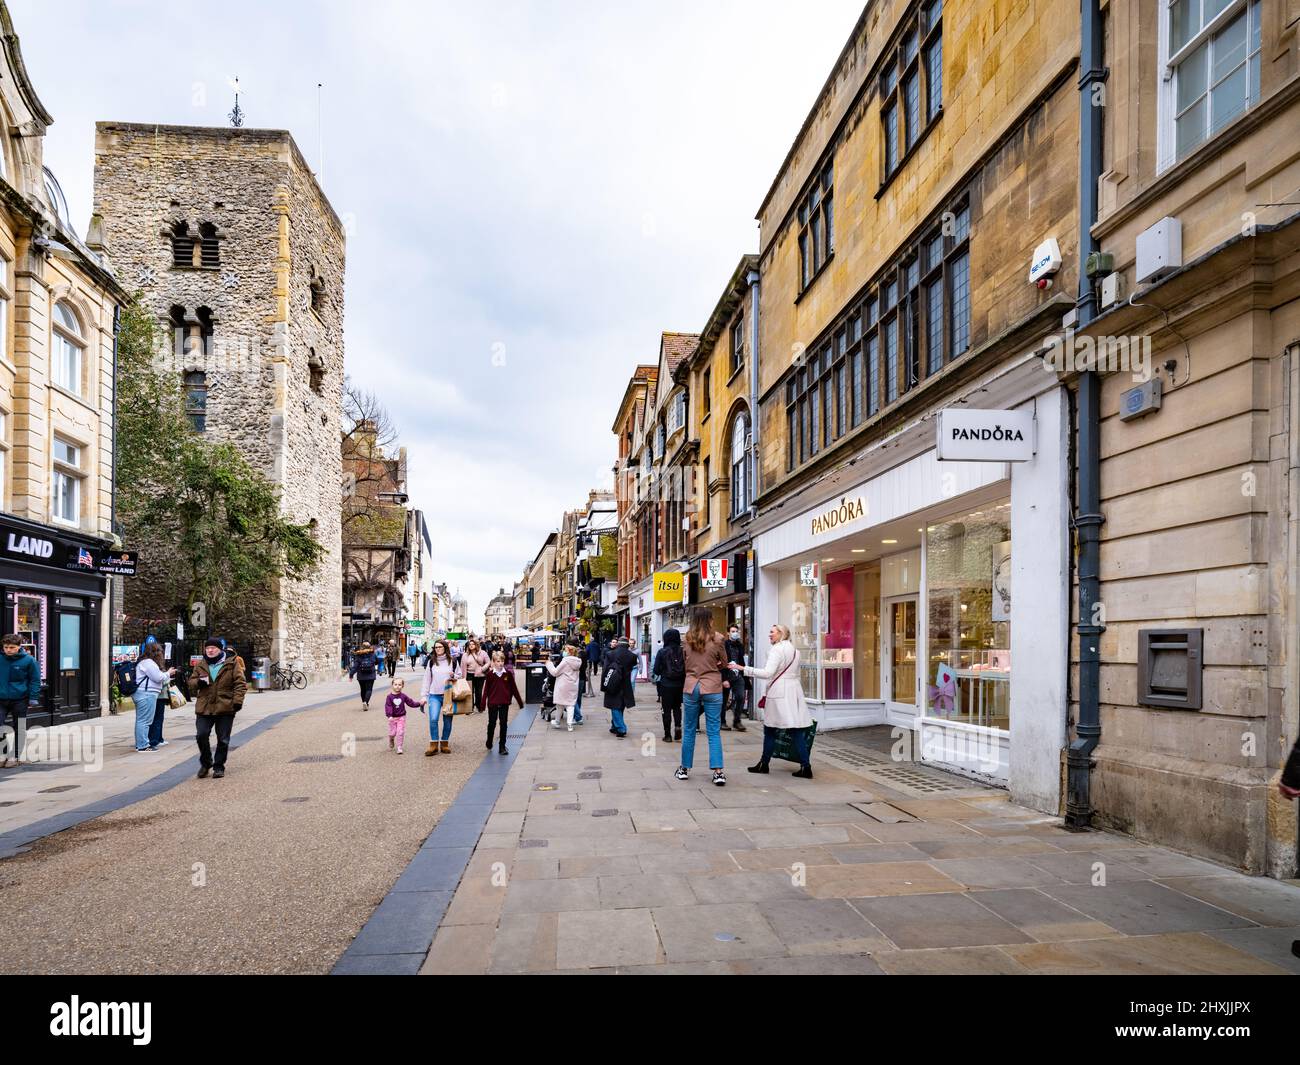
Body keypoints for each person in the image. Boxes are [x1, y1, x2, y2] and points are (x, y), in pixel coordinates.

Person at [733, 623, 815, 779]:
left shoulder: (777, 650)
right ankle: (806, 766)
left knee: (770, 730)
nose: (770, 635)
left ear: (781, 634)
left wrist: (743, 668)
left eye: (772, 632)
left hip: (779, 692)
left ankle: (764, 764)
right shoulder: (795, 651)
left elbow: (767, 673)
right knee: (796, 730)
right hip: (793, 691)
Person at [676, 608, 729, 787]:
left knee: (689, 728)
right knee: (713, 731)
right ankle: (718, 772)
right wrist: (715, 665)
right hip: (712, 685)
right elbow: (725, 662)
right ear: (710, 620)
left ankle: (684, 769)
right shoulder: (718, 638)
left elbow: (684, 663)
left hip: (691, 686)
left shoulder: (686, 639)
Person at [188, 636, 246, 779]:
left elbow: (240, 683)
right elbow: (191, 682)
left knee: (223, 739)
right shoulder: (201, 664)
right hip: (205, 706)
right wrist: (198, 683)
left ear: (220, 649)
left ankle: (219, 766)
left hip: (225, 706)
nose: (210, 650)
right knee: (201, 735)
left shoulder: (232, 664)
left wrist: (237, 701)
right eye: (207, 648)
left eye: (213, 648)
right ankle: (206, 763)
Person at [0, 634, 39, 767]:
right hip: (1, 699)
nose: (8, 650)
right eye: (6, 647)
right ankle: (3, 754)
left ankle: (15, 756)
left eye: (12, 647)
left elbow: (35, 680)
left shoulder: (29, 660)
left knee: (20, 727)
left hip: (20, 699)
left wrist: (33, 698)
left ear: (19, 647)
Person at [420, 638, 461, 756]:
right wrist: (424, 696)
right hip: (434, 695)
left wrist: (455, 676)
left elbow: (459, 675)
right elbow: (427, 680)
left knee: (448, 720)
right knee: (433, 719)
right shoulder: (431, 661)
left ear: (445, 648)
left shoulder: (452, 661)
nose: (437, 649)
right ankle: (433, 744)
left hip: (448, 695)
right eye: (436, 647)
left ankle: (444, 743)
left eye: (440, 647)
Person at [133, 642, 175, 753]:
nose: (161, 653)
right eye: (160, 651)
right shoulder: (148, 663)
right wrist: (168, 673)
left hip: (145, 693)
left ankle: (141, 744)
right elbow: (158, 677)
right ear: (156, 652)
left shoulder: (145, 662)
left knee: (142, 720)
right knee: (145, 721)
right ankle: (143, 745)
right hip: (146, 694)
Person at [479, 650, 523, 754]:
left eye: (502, 661)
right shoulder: (490, 675)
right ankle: (489, 741)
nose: (500, 663)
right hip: (493, 703)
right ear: (493, 662)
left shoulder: (507, 674)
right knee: (492, 723)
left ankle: (502, 746)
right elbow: (486, 690)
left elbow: (514, 688)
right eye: (498, 661)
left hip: (504, 702)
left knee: (504, 724)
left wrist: (520, 702)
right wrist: (483, 704)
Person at [652, 627, 686, 743]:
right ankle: (677, 726)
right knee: (677, 707)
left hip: (666, 684)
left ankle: (667, 735)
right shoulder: (683, 651)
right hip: (680, 684)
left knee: (666, 709)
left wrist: (663, 671)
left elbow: (656, 670)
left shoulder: (662, 652)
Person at [602, 636, 639, 738]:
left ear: (618, 644)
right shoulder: (632, 656)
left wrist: (603, 685)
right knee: (620, 705)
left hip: (613, 683)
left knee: (614, 705)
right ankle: (614, 726)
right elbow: (631, 668)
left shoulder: (610, 654)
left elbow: (605, 670)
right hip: (625, 684)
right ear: (627, 645)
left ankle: (621, 728)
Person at [545, 642, 584, 733]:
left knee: (560, 704)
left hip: (563, 685)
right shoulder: (578, 661)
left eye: (565, 650)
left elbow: (555, 672)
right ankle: (569, 724)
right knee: (570, 705)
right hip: (573, 685)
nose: (564, 652)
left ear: (569, 652)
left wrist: (549, 664)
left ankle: (557, 721)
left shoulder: (565, 661)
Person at [384, 676, 424, 754]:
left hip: (401, 717)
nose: (397, 686)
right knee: (393, 733)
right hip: (392, 718)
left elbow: (410, 703)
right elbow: (388, 706)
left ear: (402, 686)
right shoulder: (389, 697)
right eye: (395, 684)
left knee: (400, 732)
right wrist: (390, 716)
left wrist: (419, 703)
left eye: (399, 684)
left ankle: (399, 747)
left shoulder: (403, 696)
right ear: (392, 685)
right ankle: (391, 738)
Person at [722, 624, 749, 732]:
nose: (735, 633)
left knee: (741, 697)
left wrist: (745, 672)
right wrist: (723, 678)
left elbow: (741, 660)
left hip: (738, 675)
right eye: (732, 631)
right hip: (727, 675)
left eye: (736, 631)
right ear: (728, 633)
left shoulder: (740, 645)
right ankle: (722, 722)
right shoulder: (724, 644)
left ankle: (737, 721)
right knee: (723, 700)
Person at [461, 638, 490, 715]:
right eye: (470, 644)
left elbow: (488, 662)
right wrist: (463, 677)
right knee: (470, 692)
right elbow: (462, 666)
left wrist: (482, 669)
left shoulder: (483, 653)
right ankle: (470, 708)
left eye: (473, 644)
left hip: (480, 675)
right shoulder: (465, 655)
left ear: (476, 645)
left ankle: (479, 706)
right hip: (469, 675)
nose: (471, 645)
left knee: (478, 692)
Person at [348, 642, 379, 711]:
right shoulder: (372, 654)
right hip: (370, 675)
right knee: (369, 689)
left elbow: (355, 666)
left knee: (363, 689)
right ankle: (366, 702)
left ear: (362, 647)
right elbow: (377, 662)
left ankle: (364, 702)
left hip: (361, 675)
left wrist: (351, 675)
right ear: (369, 646)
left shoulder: (359, 655)